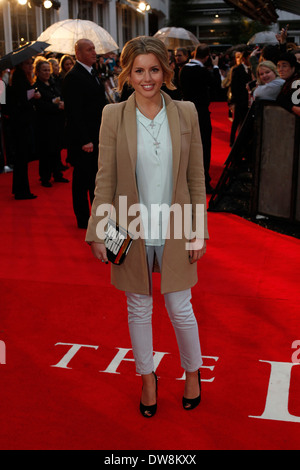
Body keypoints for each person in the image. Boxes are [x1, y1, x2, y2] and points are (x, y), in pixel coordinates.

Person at [85, 36, 208, 418]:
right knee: (138, 308)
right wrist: (97, 229)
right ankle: (147, 378)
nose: (147, 78)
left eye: (154, 69)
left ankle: (192, 372)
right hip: (128, 225)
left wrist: (197, 229)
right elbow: (104, 178)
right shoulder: (113, 116)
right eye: (139, 70)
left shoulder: (186, 112)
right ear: (127, 73)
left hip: (175, 225)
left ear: (165, 71)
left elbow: (196, 178)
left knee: (180, 307)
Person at [63, 39, 107, 229]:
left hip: (96, 135)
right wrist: (85, 140)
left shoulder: (92, 72)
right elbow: (74, 113)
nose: (94, 52)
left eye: (94, 49)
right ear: (78, 53)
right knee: (82, 179)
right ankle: (82, 218)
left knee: (94, 179)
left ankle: (95, 215)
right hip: (84, 140)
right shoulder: (73, 77)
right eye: (89, 50)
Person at [180, 44, 221, 193]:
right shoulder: (202, 71)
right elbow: (217, 85)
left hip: (186, 112)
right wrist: (215, 67)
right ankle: (204, 181)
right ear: (207, 56)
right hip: (201, 113)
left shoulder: (183, 69)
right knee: (204, 146)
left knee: (188, 148)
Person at [7, 59, 40, 199]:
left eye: (31, 64)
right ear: (21, 65)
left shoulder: (18, 78)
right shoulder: (19, 79)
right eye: (28, 64)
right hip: (21, 124)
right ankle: (22, 191)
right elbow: (21, 100)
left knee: (22, 159)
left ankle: (20, 190)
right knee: (21, 158)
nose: (31, 66)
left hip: (20, 123)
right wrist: (34, 95)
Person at [33, 57, 68, 187]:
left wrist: (61, 102)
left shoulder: (53, 83)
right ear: (38, 72)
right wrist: (56, 106)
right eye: (44, 70)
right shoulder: (36, 87)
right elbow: (40, 105)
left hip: (57, 122)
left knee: (57, 148)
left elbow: (60, 96)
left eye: (48, 70)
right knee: (46, 151)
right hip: (45, 123)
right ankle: (45, 177)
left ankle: (57, 173)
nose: (47, 72)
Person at [229, 49, 252, 147]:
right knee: (236, 121)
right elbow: (233, 86)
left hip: (248, 101)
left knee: (245, 122)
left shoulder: (252, 70)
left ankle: (242, 141)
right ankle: (232, 141)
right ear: (244, 59)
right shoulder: (237, 69)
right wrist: (233, 101)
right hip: (239, 100)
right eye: (250, 58)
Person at [276, 52, 300, 117]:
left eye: (284, 66)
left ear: (293, 67)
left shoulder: (296, 83)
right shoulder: (289, 81)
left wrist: (288, 105)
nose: (280, 69)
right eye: (278, 66)